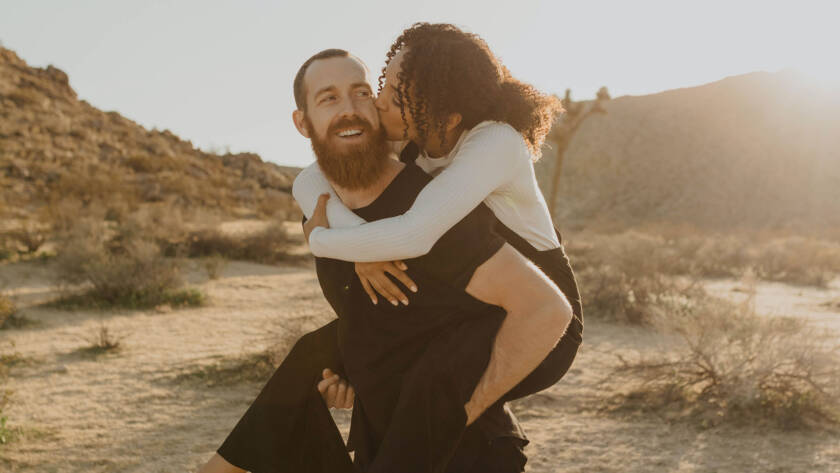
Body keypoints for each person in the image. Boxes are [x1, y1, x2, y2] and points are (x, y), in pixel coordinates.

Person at [198, 49, 573, 473]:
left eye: (362, 93)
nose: (352, 108)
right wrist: (357, 371)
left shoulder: (435, 206)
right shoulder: (325, 211)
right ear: (302, 123)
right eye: (329, 98)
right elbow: (388, 326)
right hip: (388, 436)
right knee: (310, 355)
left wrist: (458, 413)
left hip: (463, 446)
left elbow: (534, 312)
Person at [295, 22, 583, 408]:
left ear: (444, 112)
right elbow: (311, 178)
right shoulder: (418, 138)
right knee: (313, 358)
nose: (379, 103)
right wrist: (358, 243)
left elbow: (414, 235)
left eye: (396, 96)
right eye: (382, 85)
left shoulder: (495, 142)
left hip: (542, 319)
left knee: (415, 394)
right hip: (467, 307)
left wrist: (324, 241)